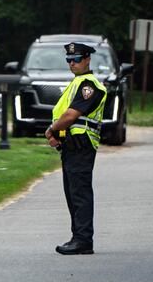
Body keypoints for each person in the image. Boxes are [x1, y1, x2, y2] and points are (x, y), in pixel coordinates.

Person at [45, 42, 107, 255]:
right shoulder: (76, 84)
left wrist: (50, 130)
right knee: (72, 193)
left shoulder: (90, 85)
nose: (72, 63)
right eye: (69, 60)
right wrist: (56, 134)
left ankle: (83, 240)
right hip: (70, 145)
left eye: (77, 59)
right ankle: (78, 237)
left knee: (79, 193)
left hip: (81, 145)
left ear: (88, 59)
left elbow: (71, 116)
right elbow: (63, 115)